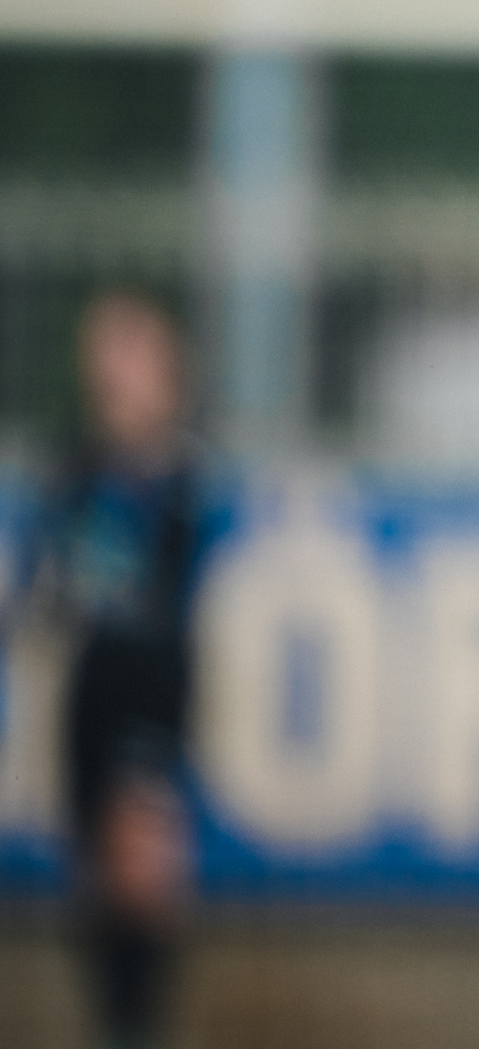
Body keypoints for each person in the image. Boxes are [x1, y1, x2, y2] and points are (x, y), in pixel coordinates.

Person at [22, 290, 205, 1049]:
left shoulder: (173, 472)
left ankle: (137, 1027)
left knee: (140, 872)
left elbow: (156, 579)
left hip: (149, 685)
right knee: (93, 877)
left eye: (131, 350)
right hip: (90, 685)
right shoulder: (72, 464)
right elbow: (47, 589)